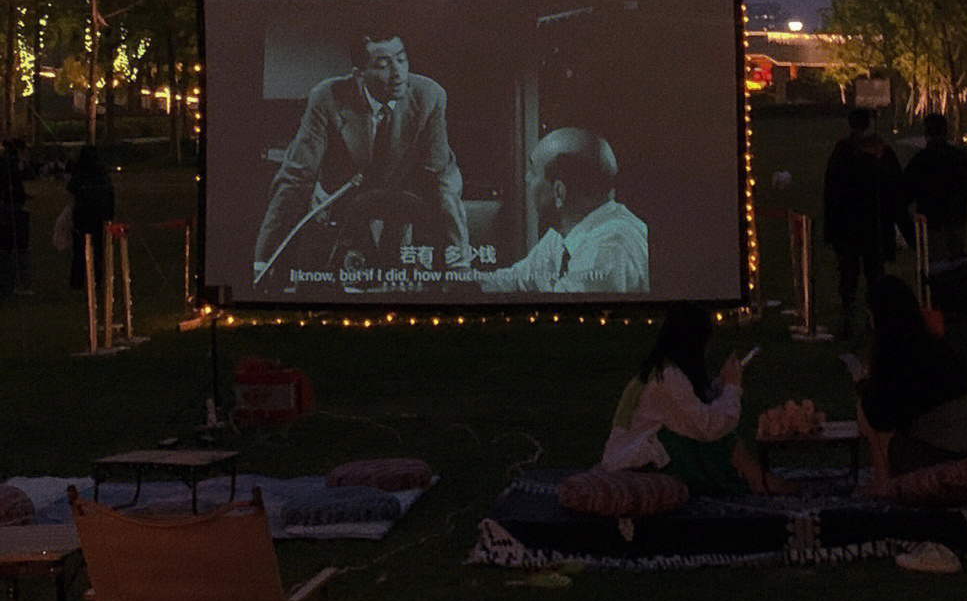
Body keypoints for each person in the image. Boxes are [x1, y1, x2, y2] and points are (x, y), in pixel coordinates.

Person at [254, 33, 468, 287]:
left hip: (402, 210)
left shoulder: (429, 96)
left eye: (401, 60)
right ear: (359, 74)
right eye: (382, 65)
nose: (397, 73)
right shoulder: (327, 97)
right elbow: (295, 179)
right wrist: (263, 261)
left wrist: (460, 264)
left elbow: (442, 178)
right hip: (340, 212)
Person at [601, 302, 786, 495]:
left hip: (637, 454)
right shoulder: (667, 378)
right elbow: (707, 426)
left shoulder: (662, 371)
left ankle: (755, 476)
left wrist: (720, 386)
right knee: (713, 436)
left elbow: (691, 410)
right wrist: (732, 388)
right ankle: (758, 478)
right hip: (635, 464)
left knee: (705, 429)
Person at [479, 128, 648, 295]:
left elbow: (563, 314)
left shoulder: (608, 250)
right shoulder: (565, 233)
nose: (527, 179)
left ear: (559, 192)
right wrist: (462, 280)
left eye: (533, 172)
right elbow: (516, 279)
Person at [853, 275, 967, 486]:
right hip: (964, 449)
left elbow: (882, 417)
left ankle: (884, 484)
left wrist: (865, 383)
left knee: (866, 414)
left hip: (934, 455)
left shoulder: (902, 356)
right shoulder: (932, 346)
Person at [823, 107, 914, 339]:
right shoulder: (881, 153)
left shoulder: (843, 152)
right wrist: (905, 229)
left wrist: (831, 227)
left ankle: (849, 320)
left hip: (850, 225)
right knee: (873, 276)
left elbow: (831, 192)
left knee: (849, 276)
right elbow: (896, 192)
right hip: (874, 224)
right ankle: (872, 321)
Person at [903, 112, 967, 261]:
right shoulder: (960, 157)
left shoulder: (921, 160)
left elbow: (906, 192)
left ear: (926, 133)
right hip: (956, 217)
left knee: (936, 263)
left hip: (931, 220)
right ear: (946, 131)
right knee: (955, 261)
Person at [67, 145, 115, 290]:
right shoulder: (100, 173)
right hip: (99, 217)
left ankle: (78, 280)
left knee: (81, 250)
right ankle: (99, 279)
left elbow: (71, 187)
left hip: (84, 218)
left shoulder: (81, 173)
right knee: (98, 249)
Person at [0, 139, 31, 296]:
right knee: (15, 246)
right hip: (10, 209)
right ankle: (16, 284)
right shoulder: (9, 166)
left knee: (9, 247)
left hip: (11, 206)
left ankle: (9, 284)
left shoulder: (11, 166)